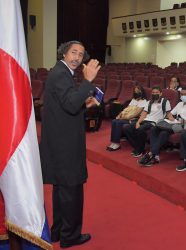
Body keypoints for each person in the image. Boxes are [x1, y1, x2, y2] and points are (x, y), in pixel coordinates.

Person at [40, 41, 100, 247]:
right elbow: (71, 103)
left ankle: (58, 231)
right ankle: (70, 236)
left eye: (81, 54)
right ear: (64, 54)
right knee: (71, 191)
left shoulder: (60, 72)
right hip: (65, 145)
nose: (77, 57)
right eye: (73, 52)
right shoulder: (61, 73)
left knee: (61, 192)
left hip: (59, 142)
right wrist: (88, 82)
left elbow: (68, 105)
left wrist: (85, 101)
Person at [139, 87, 186, 167]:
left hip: (185, 125)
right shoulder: (179, 104)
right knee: (156, 129)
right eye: (181, 94)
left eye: (185, 94)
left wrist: (185, 121)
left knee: (164, 131)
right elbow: (170, 114)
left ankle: (151, 153)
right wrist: (171, 119)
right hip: (175, 124)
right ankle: (155, 156)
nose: (183, 96)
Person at [123, 86, 171, 157]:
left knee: (140, 129)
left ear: (160, 93)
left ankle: (139, 150)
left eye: (156, 92)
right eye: (153, 92)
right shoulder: (149, 102)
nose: (155, 94)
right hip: (145, 120)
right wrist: (138, 122)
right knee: (126, 128)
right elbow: (143, 114)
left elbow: (168, 114)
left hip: (154, 122)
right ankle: (138, 147)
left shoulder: (165, 102)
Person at [106, 86, 147, 151]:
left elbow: (136, 114)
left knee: (118, 122)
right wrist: (119, 115)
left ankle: (116, 144)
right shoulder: (134, 100)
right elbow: (126, 109)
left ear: (142, 92)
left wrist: (124, 117)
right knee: (114, 121)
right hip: (126, 117)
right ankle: (113, 142)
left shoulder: (144, 101)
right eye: (135, 91)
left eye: (138, 91)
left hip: (133, 119)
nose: (136, 92)